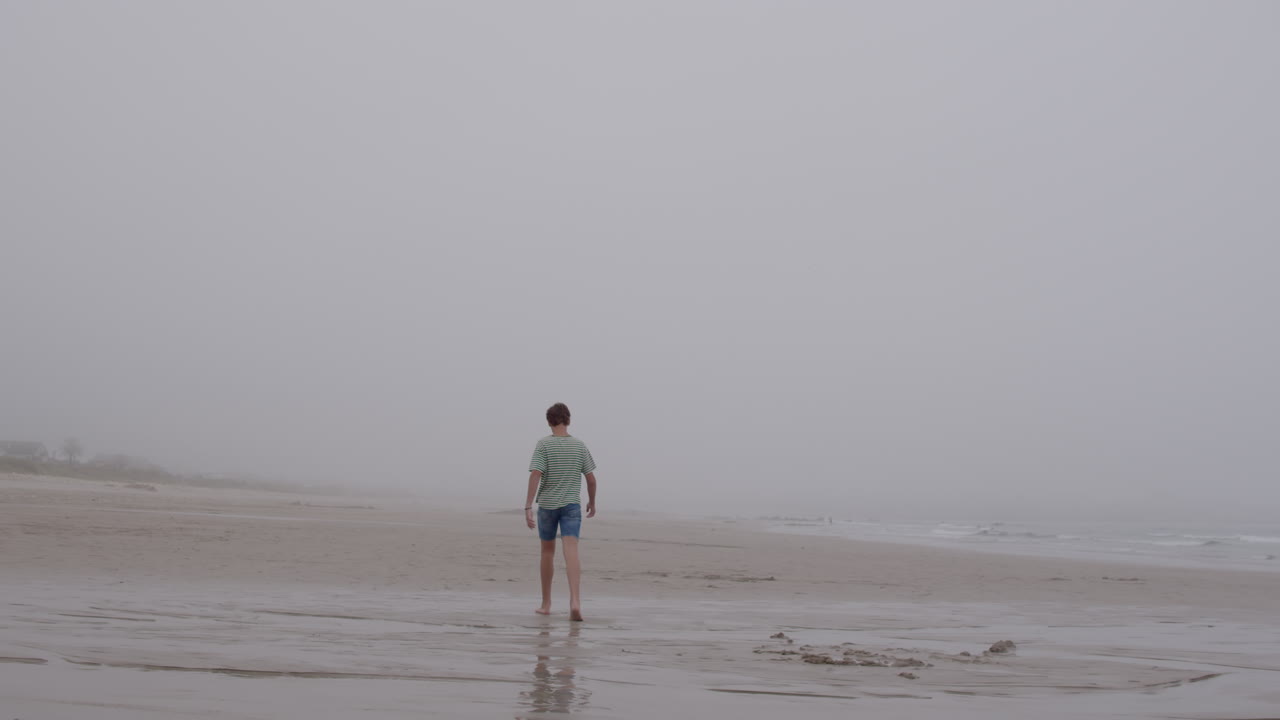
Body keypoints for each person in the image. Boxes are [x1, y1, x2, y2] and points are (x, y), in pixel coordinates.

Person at [524, 403, 597, 621]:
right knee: (571, 551)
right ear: (568, 420)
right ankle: (575, 601)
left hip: (547, 505)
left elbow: (535, 474)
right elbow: (591, 479)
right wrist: (592, 502)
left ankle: (546, 604)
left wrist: (528, 505)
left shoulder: (544, 444)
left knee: (547, 552)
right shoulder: (579, 446)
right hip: (571, 506)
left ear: (549, 421)